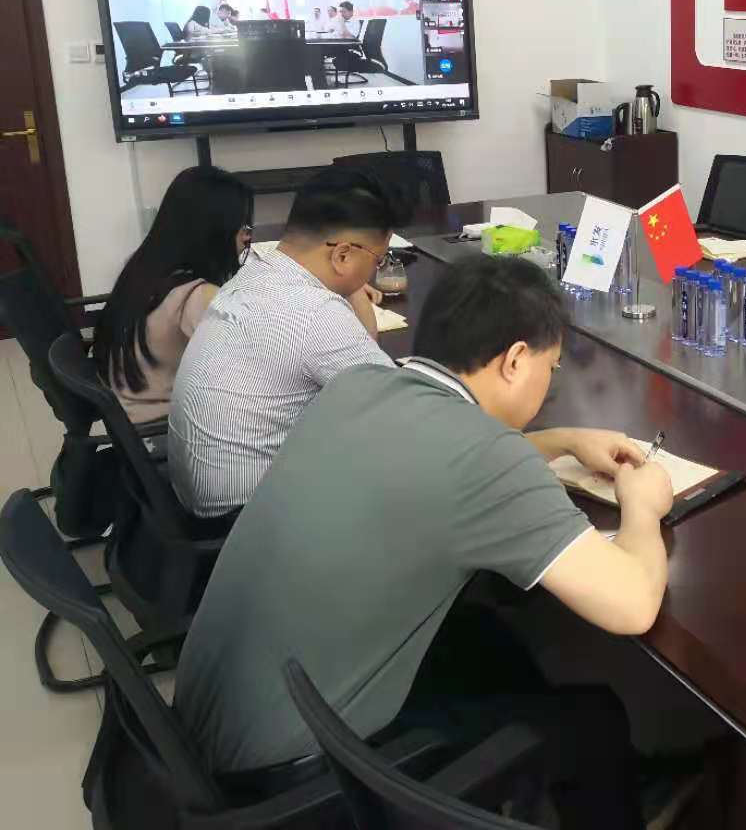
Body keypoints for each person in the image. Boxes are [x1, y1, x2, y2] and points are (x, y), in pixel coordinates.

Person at [175, 256, 671, 827]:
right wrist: (643, 506)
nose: (549, 382)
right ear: (515, 360)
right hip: (292, 776)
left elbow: (444, 464)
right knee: (595, 721)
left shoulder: (359, 386)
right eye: (550, 368)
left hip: (204, 731)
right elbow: (633, 604)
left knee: (485, 634)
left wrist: (562, 440)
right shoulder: (486, 461)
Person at [167, 167, 407, 517]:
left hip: (196, 495)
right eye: (378, 260)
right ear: (342, 255)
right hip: (246, 516)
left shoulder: (255, 271)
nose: (374, 270)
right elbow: (402, 408)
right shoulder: (315, 311)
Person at [92, 168, 254, 424]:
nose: (247, 236)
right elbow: (248, 369)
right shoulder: (197, 296)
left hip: (130, 409)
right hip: (164, 424)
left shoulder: (145, 267)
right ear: (214, 230)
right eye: (242, 226)